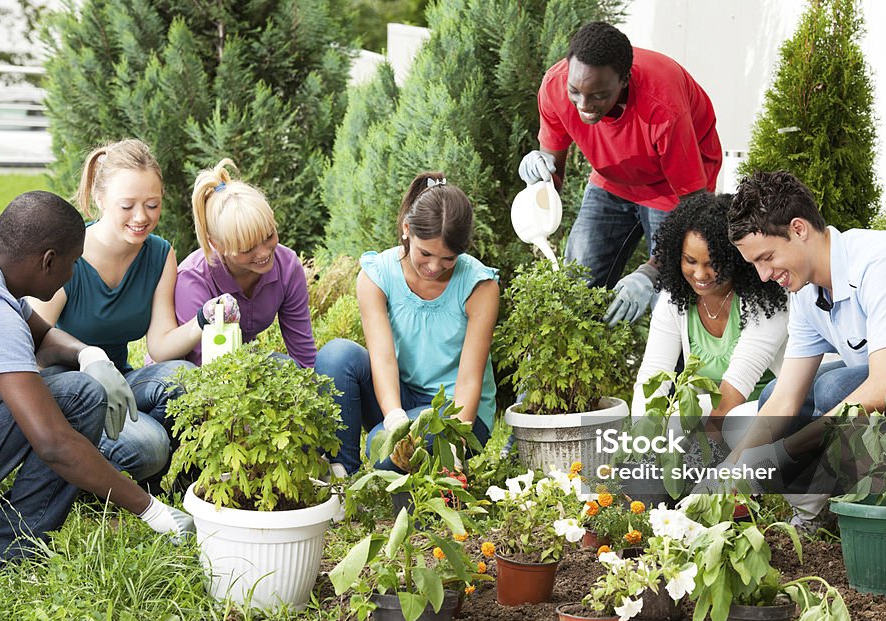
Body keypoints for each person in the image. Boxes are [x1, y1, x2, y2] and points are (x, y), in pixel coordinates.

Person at [723, 170, 886, 527]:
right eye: (754, 264)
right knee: (778, 393)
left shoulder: (884, 264)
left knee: (839, 389)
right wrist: (730, 471)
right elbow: (784, 399)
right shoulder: (807, 293)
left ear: (798, 229)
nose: (763, 275)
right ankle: (821, 514)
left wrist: (783, 452)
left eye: (767, 257)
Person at [0, 191, 193, 570]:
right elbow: (53, 443)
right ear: (48, 261)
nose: (72, 275)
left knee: (80, 388)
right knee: (79, 397)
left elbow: (40, 333)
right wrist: (152, 511)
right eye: (72, 263)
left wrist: (90, 355)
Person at [518, 21, 721, 326]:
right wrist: (539, 172)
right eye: (576, 91)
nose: (584, 105)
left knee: (674, 301)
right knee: (574, 286)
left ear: (624, 80)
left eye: (598, 95)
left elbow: (695, 211)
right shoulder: (555, 86)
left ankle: (676, 373)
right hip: (612, 179)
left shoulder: (662, 106)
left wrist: (650, 273)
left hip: (674, 187)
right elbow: (552, 172)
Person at [30, 139, 206, 487]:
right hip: (66, 390)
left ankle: (172, 484)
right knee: (151, 447)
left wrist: (203, 321)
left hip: (119, 378)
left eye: (152, 205)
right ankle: (80, 478)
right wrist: (86, 363)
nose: (141, 217)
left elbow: (160, 345)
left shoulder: (158, 254)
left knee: (187, 380)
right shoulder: (70, 255)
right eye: (127, 205)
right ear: (100, 201)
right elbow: (31, 344)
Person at [315, 172, 499, 476]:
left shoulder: (479, 286)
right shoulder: (376, 276)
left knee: (385, 451)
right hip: (400, 395)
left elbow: (468, 381)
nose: (434, 267)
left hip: (458, 410)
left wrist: (454, 443)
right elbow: (383, 359)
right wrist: (396, 420)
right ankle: (340, 472)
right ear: (406, 230)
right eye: (425, 253)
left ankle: (442, 450)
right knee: (337, 356)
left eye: (448, 259)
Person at [632, 193, 788, 447]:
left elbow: (736, 385)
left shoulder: (766, 297)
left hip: (769, 414)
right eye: (690, 261)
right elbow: (653, 377)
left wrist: (699, 455)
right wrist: (640, 442)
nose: (700, 274)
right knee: (669, 423)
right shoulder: (674, 300)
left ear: (735, 258)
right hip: (714, 415)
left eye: (713, 263)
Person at [174, 158, 316, 368]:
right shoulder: (193, 280)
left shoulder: (287, 266)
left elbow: (303, 356)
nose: (264, 252)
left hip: (237, 370)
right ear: (217, 245)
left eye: (268, 236)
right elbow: (207, 370)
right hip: (182, 381)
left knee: (283, 366)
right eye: (247, 248)